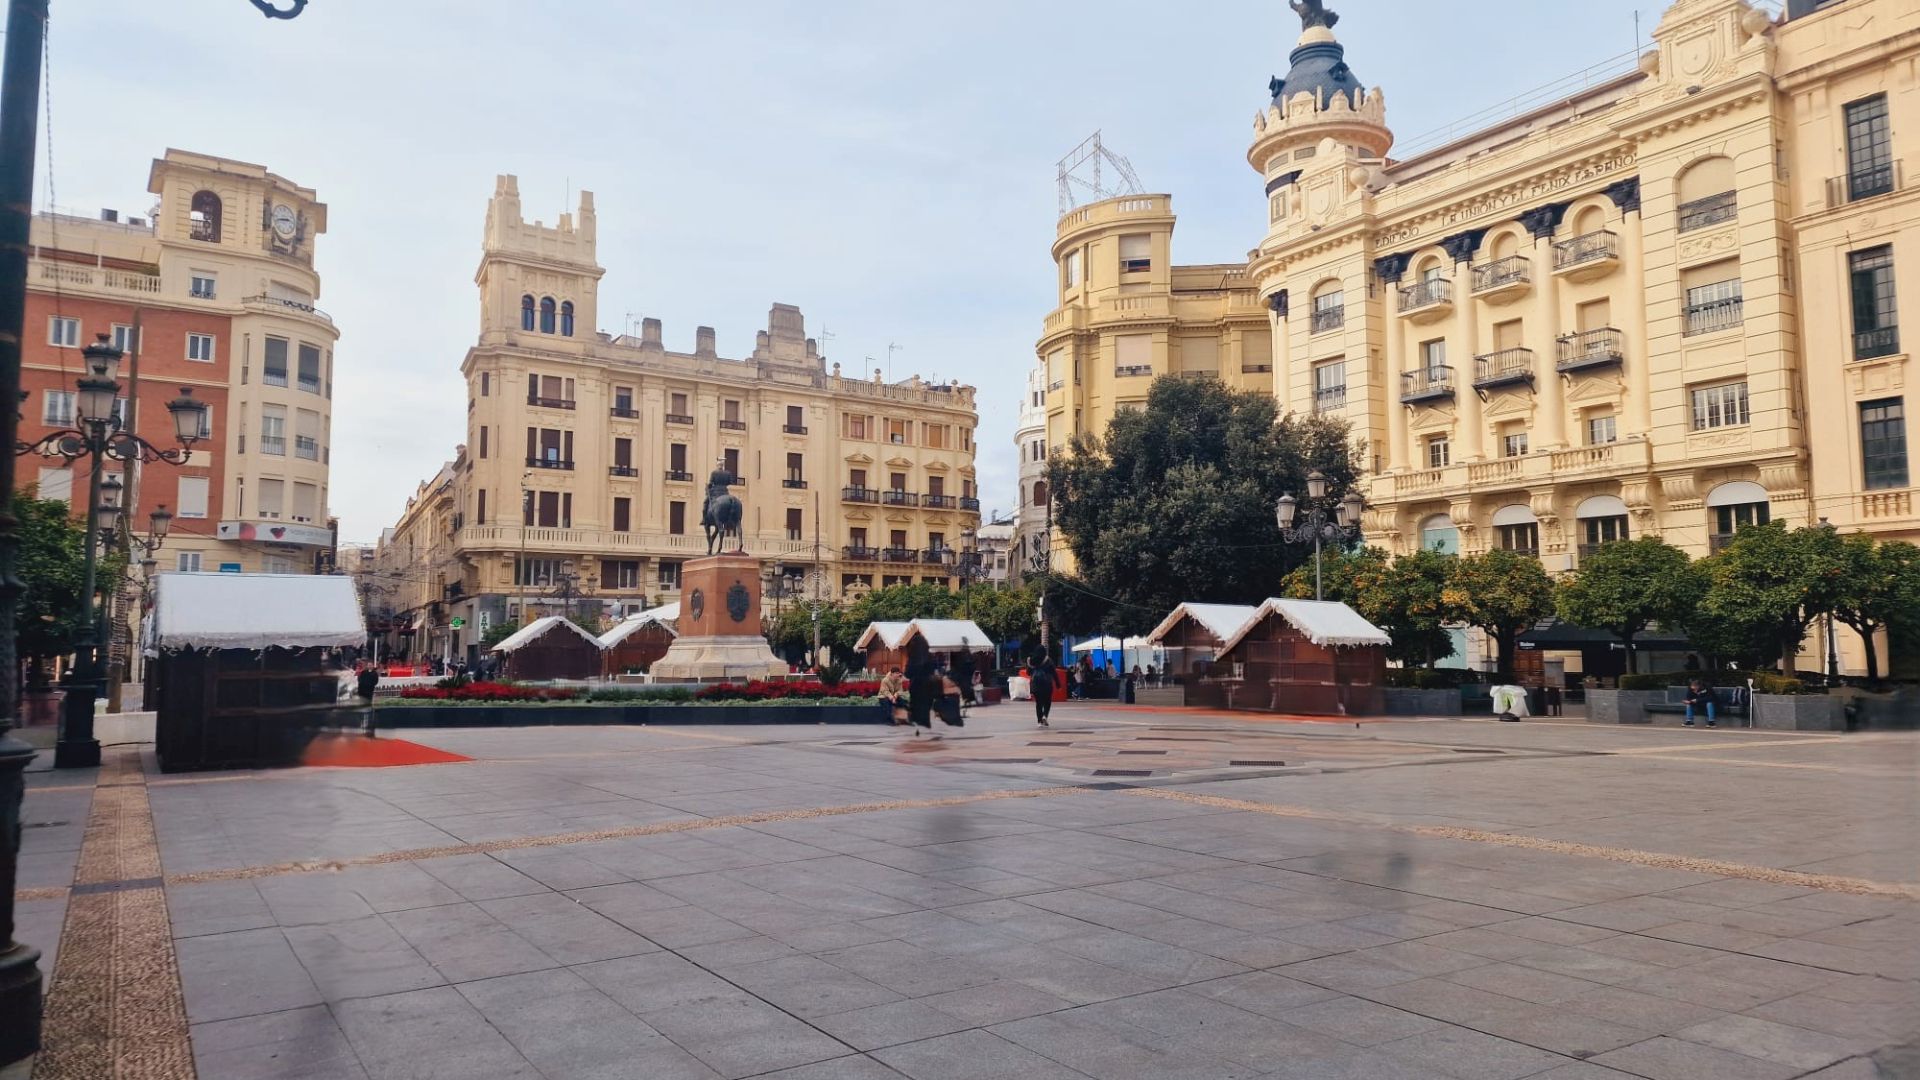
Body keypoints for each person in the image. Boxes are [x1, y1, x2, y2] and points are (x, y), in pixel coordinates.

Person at [355, 663, 381, 736]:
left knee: (368, 707)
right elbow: (359, 679)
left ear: (373, 666)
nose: (369, 666)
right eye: (368, 665)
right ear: (367, 666)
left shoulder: (374, 674)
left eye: (371, 665)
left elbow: (375, 682)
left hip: (369, 691)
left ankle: (367, 724)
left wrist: (369, 685)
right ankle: (361, 722)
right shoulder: (363, 672)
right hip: (362, 691)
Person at [1029, 656, 1056, 727]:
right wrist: (1058, 683)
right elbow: (1053, 672)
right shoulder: (1048, 660)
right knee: (1047, 702)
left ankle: (1039, 721)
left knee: (1038, 703)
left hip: (1035, 685)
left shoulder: (1032, 659)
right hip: (1047, 684)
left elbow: (1028, 672)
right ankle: (1045, 716)